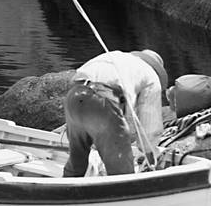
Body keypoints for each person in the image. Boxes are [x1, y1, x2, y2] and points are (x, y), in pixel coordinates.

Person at [62, 49, 168, 177]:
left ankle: (64, 190)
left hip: (74, 94)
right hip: (102, 101)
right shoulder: (151, 76)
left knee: (77, 159)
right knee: (122, 171)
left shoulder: (116, 57)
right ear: (156, 69)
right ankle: (125, 194)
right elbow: (149, 124)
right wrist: (150, 155)